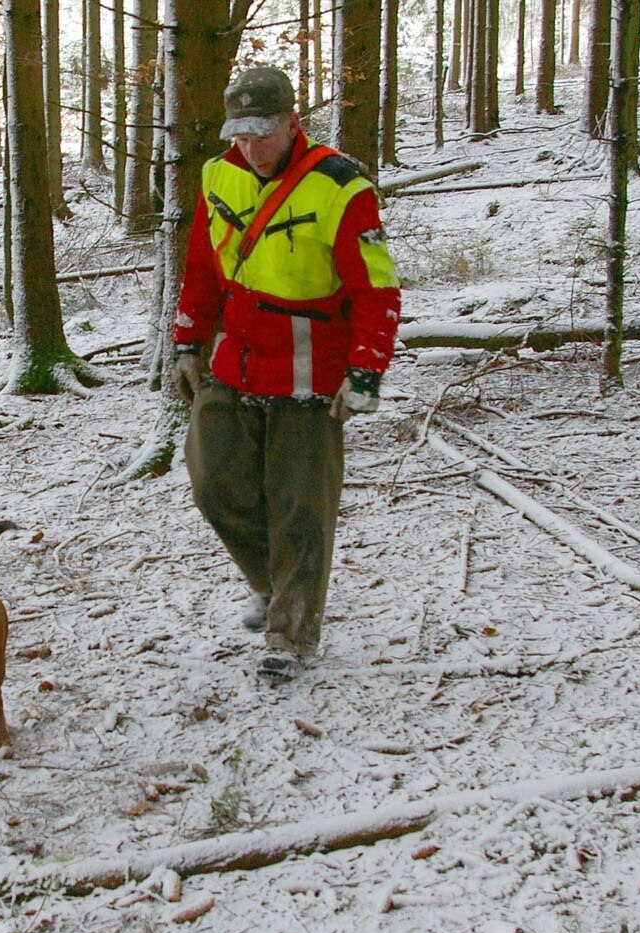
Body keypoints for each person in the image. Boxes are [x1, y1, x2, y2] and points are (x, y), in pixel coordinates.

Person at [172, 65, 400, 684]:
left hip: (310, 366)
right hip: (235, 355)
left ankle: (292, 634)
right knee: (214, 480)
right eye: (240, 134)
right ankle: (273, 584)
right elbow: (201, 265)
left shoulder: (342, 187)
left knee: (301, 506)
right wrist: (188, 341)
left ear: (292, 123)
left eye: (262, 133)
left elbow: (377, 289)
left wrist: (365, 371)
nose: (250, 147)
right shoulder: (218, 174)